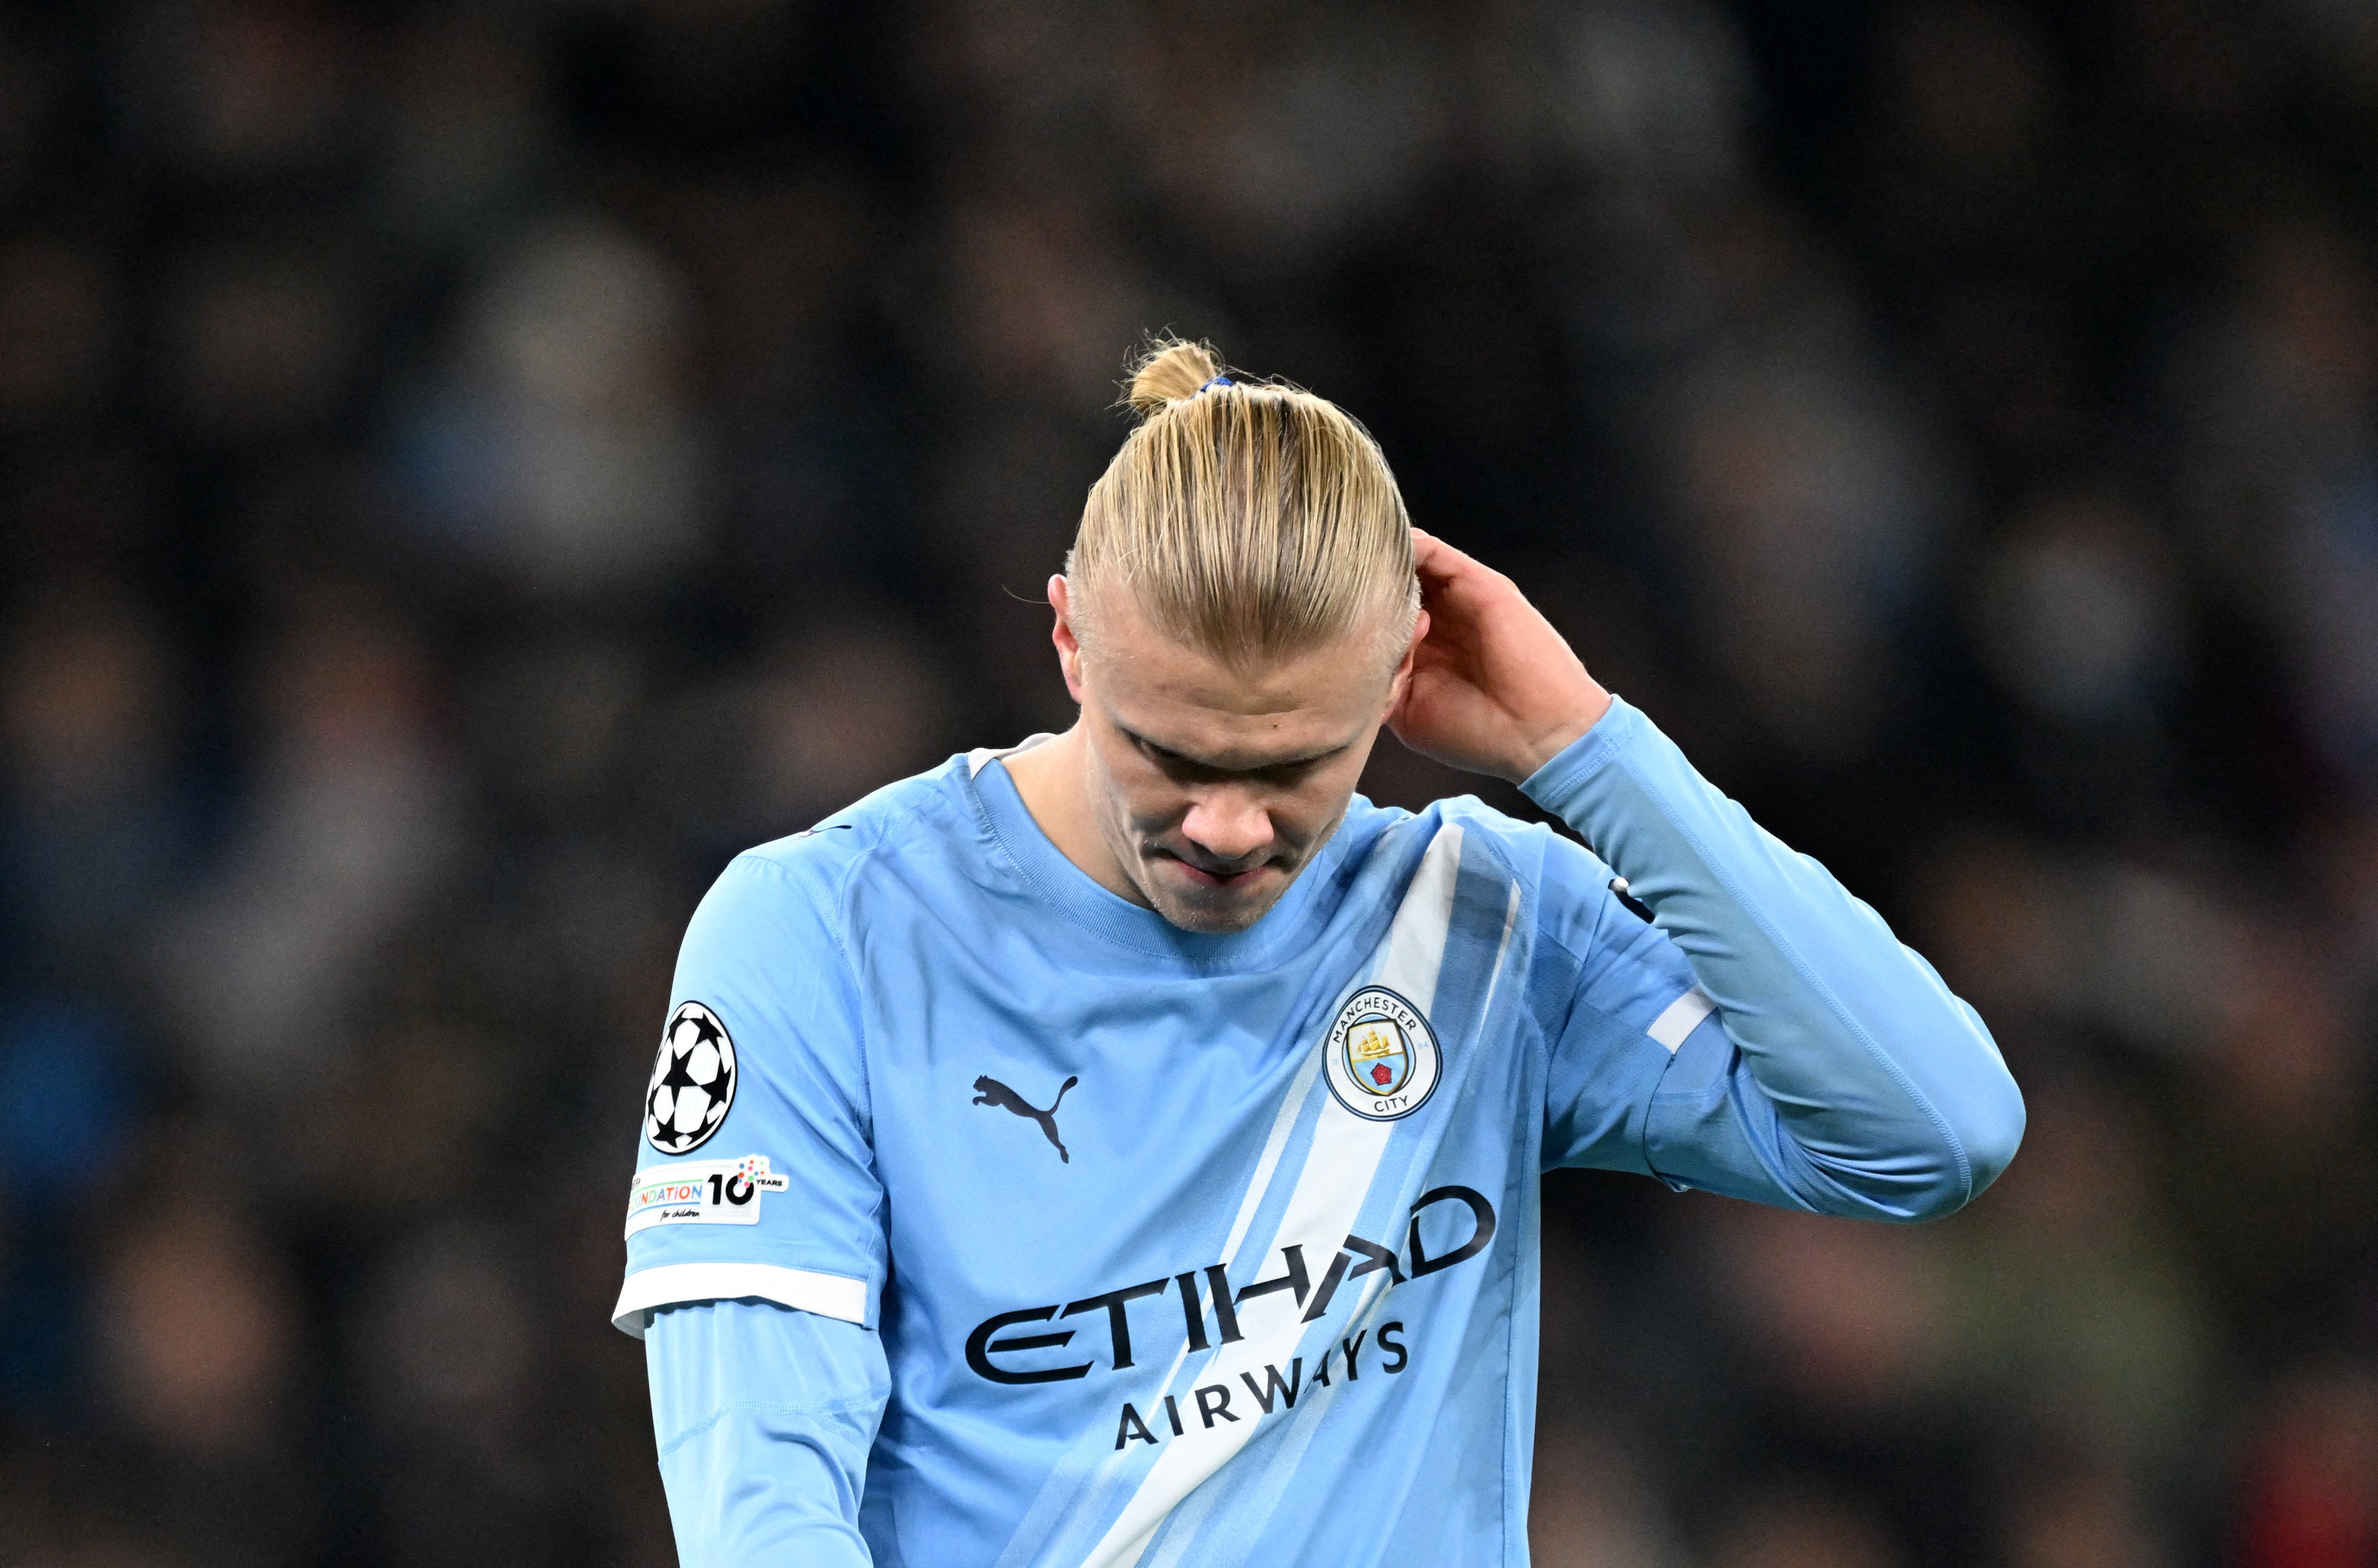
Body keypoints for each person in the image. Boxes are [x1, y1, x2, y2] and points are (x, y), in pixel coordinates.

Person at [611, 340, 2025, 1567]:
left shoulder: (1475, 919)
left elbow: (1928, 1131)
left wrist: (1583, 747)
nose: (1227, 828)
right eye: (1168, 755)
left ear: (1404, 673)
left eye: (1299, 765)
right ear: (1069, 645)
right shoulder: (822, 931)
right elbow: (765, 1505)